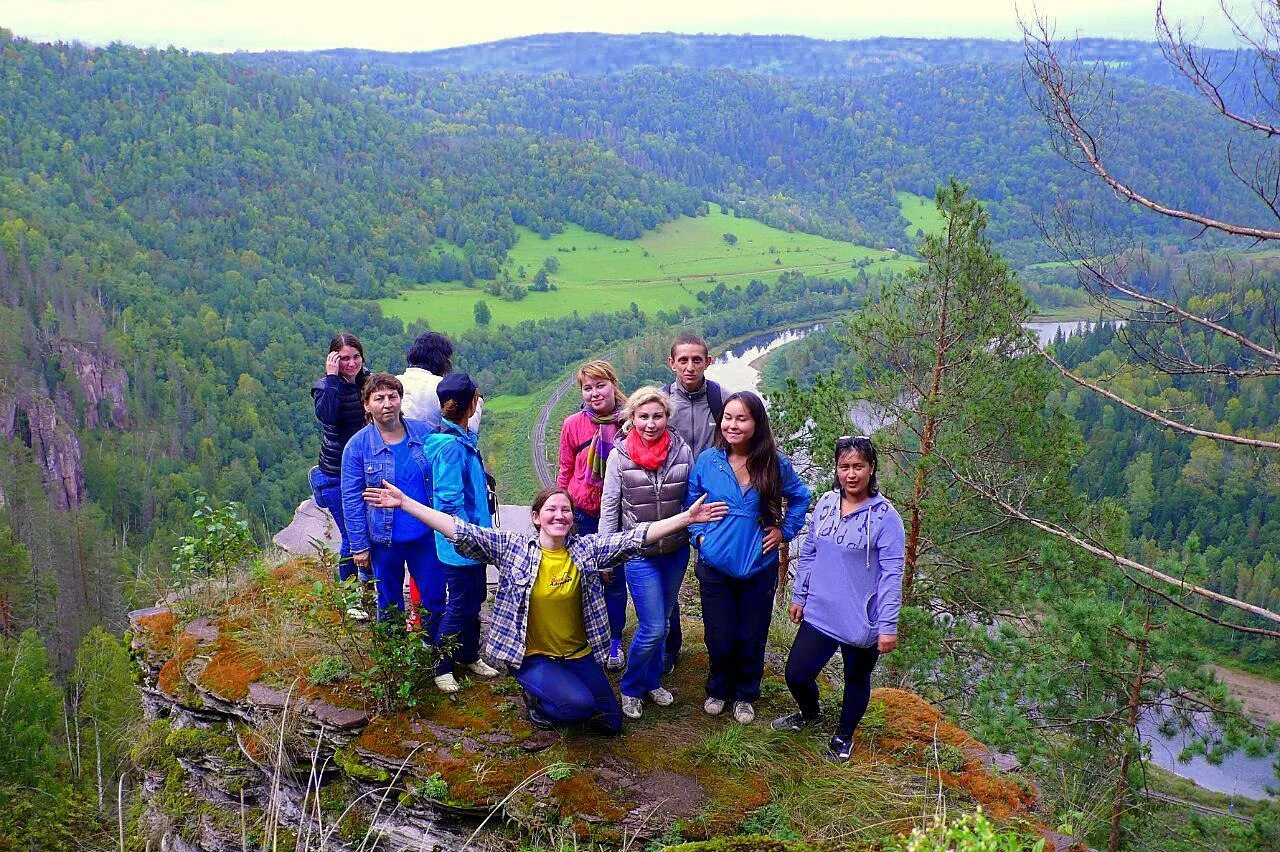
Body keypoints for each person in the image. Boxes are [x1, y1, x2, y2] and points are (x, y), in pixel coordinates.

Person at [362, 482, 727, 741]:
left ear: (572, 518)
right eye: (551, 509)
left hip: (579, 657)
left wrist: (686, 519)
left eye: (565, 510)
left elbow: (635, 537)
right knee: (579, 709)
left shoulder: (586, 551)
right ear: (536, 517)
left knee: (612, 724)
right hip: (534, 656)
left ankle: (560, 692)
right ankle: (536, 698)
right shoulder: (514, 549)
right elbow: (459, 530)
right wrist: (406, 503)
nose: (559, 515)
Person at [771, 436, 904, 764]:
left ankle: (843, 736)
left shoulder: (887, 518)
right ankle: (809, 713)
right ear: (837, 469)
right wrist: (799, 595)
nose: (851, 474)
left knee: (856, 679)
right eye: (844, 466)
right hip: (821, 611)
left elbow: (891, 575)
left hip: (862, 621)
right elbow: (811, 552)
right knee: (797, 674)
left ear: (871, 468)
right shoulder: (827, 503)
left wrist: (887, 625)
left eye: (859, 466)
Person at [685, 390, 811, 725]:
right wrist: (697, 536)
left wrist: (785, 531)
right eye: (728, 417)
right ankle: (718, 688)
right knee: (718, 633)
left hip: (759, 566)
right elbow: (691, 501)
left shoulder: (773, 464)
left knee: (751, 634)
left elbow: (801, 498)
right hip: (714, 565)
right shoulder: (708, 461)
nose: (733, 424)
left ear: (757, 423)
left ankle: (744, 695)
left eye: (742, 418)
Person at [599, 387, 694, 719]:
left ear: (667, 417)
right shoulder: (619, 455)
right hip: (638, 552)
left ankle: (652, 681)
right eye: (643, 416)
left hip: (675, 551)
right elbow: (610, 508)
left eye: (657, 416)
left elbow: (690, 502)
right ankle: (631, 687)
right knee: (653, 626)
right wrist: (605, 554)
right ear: (632, 418)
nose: (651, 423)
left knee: (665, 622)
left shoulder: (682, 452)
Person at [340, 373, 446, 643]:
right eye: (379, 398)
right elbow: (351, 498)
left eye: (392, 396)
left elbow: (441, 476)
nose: (387, 403)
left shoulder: (423, 432)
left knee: (434, 597)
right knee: (389, 603)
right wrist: (359, 546)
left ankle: (436, 658)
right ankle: (396, 662)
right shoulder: (358, 447)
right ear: (367, 405)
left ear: (400, 400)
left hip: (425, 535)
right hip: (383, 541)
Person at [423, 372, 501, 693]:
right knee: (460, 603)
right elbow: (449, 499)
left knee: (475, 599)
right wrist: (465, 537)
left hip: (474, 541)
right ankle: (442, 666)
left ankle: (469, 654)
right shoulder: (450, 447)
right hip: (460, 545)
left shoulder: (459, 437)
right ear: (470, 404)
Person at [661, 332, 726, 673]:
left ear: (708, 362)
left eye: (696, 359)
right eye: (682, 360)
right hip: (670, 504)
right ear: (671, 362)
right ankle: (670, 648)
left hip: (711, 506)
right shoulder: (659, 403)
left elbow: (754, 441)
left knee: (713, 575)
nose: (689, 366)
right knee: (668, 576)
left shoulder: (722, 400)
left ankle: (719, 648)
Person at [557, 359, 629, 670]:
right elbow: (565, 469)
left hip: (617, 515)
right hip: (582, 512)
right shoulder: (573, 424)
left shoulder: (629, 421)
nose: (595, 393)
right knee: (584, 577)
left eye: (600, 385)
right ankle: (584, 634)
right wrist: (560, 508)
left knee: (614, 579)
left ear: (613, 385)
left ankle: (614, 640)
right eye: (588, 388)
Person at [310, 332, 370, 586]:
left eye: (356, 357)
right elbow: (327, 416)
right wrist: (332, 378)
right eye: (344, 358)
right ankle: (349, 592)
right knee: (351, 535)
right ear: (333, 359)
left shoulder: (367, 381)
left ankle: (366, 582)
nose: (351, 363)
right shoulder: (325, 387)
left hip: (365, 469)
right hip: (335, 473)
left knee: (368, 530)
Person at [398, 331, 482, 434]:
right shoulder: (442, 387)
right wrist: (476, 402)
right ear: (442, 360)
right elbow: (464, 430)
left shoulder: (394, 383)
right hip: (433, 447)